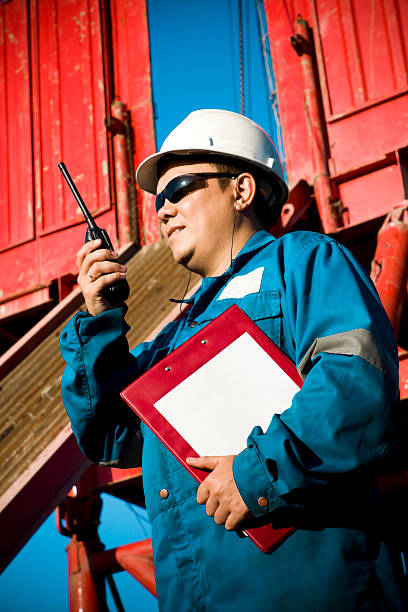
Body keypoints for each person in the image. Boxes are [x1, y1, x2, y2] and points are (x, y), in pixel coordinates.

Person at [60, 109, 406, 610]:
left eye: (178, 189)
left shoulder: (304, 261)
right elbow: (111, 435)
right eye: (159, 200)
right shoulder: (168, 343)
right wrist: (99, 320)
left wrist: (258, 476)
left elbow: (356, 386)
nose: (162, 210)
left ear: (241, 190)